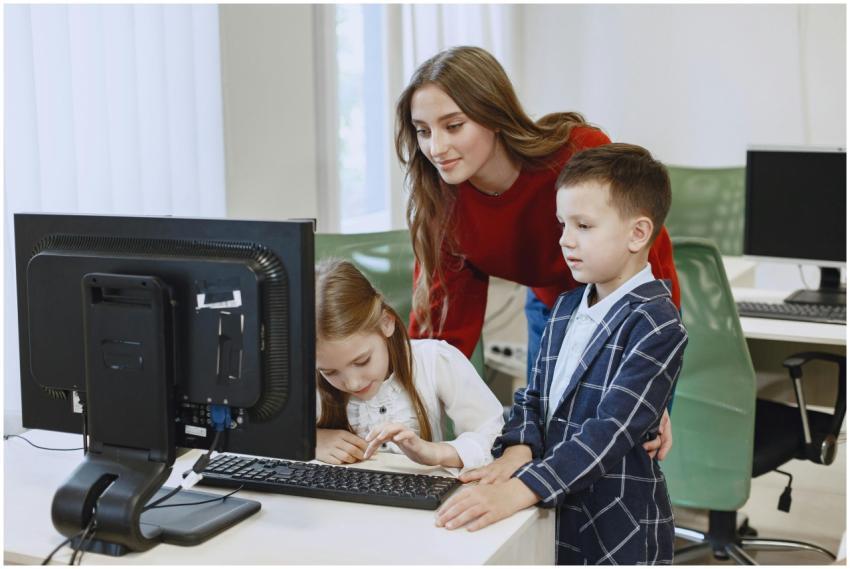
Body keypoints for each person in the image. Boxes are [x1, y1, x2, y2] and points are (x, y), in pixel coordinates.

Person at [394, 45, 677, 459]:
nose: (436, 147)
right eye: (422, 130)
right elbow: (441, 333)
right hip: (552, 310)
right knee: (547, 449)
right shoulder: (444, 203)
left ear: (493, 113)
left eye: (453, 125)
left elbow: (646, 262)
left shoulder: (575, 153)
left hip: (629, 309)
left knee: (622, 455)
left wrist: (649, 380)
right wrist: (404, 416)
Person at [434, 144, 688, 565]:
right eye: (562, 224)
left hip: (615, 526)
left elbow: (609, 431)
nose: (565, 240)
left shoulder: (657, 325)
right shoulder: (567, 306)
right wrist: (518, 446)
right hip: (554, 510)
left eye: (584, 225)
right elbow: (534, 395)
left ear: (638, 233)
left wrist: (518, 489)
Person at [313, 258, 505, 471]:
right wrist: (312, 441)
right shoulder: (304, 374)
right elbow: (270, 437)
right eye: (329, 372)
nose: (352, 383)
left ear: (386, 323)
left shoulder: (434, 359)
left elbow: (496, 437)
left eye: (362, 361)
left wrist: (436, 452)